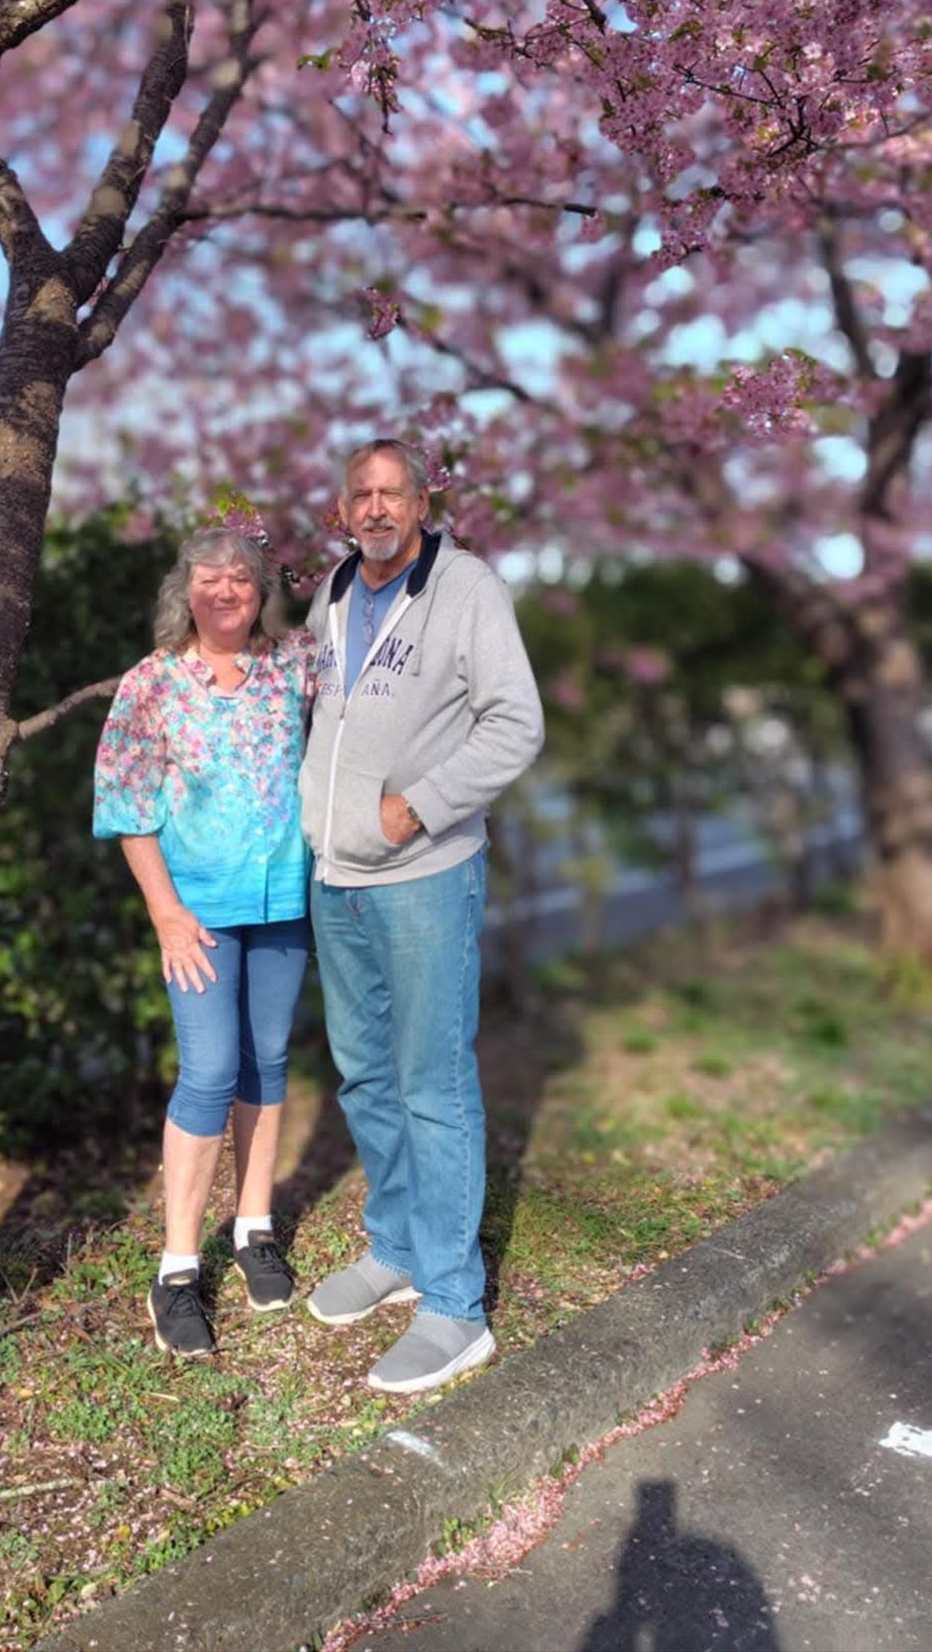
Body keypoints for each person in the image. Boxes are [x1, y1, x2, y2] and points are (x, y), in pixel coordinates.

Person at [299, 438, 544, 1394]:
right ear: (342, 506)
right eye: (360, 492)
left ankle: (455, 1304)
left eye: (392, 492)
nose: (375, 507)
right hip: (337, 877)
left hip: (425, 875)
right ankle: (397, 1248)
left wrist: (424, 802)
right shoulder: (329, 592)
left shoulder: (467, 589)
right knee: (364, 1076)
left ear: (422, 499)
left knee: (431, 1081)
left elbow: (514, 721)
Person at [93, 527, 311, 1358]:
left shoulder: (293, 666)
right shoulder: (152, 684)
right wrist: (165, 913)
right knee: (211, 1071)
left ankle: (254, 1226)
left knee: (268, 1061)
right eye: (210, 579)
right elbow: (126, 803)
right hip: (199, 915)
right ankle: (178, 1267)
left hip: (283, 900)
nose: (226, 592)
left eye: (242, 580)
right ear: (185, 591)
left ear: (262, 591)